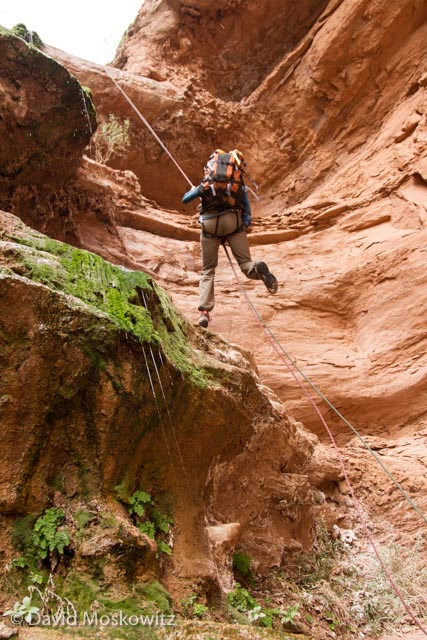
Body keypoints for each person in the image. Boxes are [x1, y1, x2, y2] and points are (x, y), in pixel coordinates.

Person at [182, 149, 278, 328]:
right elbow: (247, 213)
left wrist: (195, 191)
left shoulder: (206, 184)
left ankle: (204, 312)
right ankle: (257, 269)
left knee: (208, 270)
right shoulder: (237, 185)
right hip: (233, 223)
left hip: (210, 226)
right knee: (245, 264)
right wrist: (240, 225)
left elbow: (185, 200)